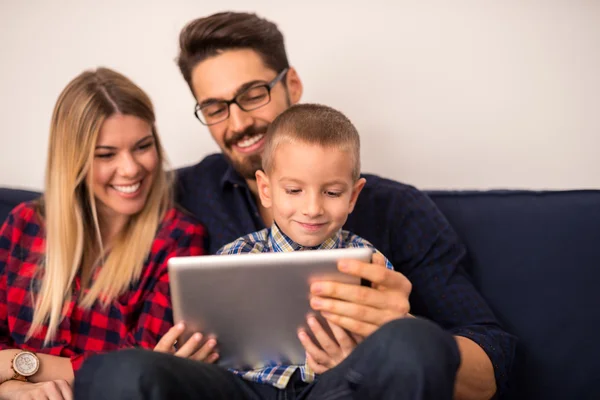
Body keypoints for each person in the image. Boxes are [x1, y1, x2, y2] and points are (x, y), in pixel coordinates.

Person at [74, 12, 517, 400]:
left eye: (252, 94)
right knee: (114, 370)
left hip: (346, 386)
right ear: (267, 189)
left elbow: (492, 359)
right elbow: (87, 198)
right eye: (215, 107)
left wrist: (394, 328)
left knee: (416, 340)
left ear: (292, 84)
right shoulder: (177, 195)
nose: (239, 122)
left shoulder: (396, 209)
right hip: (231, 388)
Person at [0, 68, 211, 400]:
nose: (130, 169)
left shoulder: (178, 238)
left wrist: (17, 364)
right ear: (73, 160)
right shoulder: (23, 225)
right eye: (106, 155)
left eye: (142, 147)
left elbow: (138, 366)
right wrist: (11, 388)